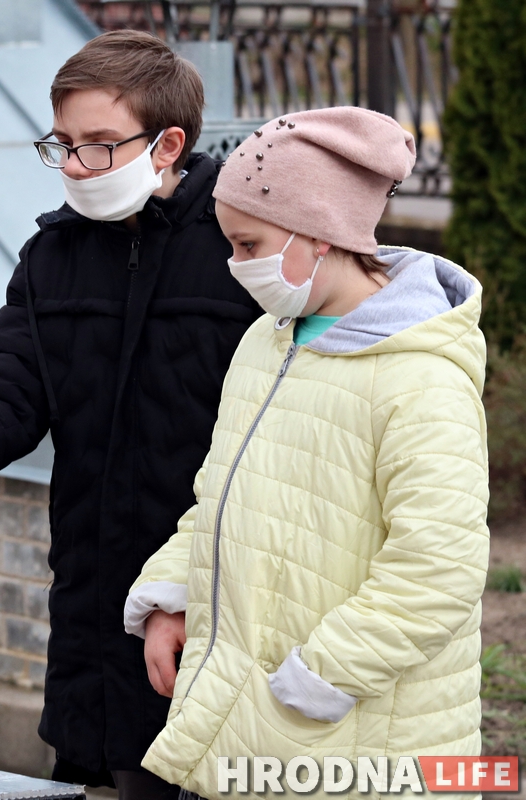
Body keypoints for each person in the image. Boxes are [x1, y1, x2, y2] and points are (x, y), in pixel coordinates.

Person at [0, 31, 261, 800]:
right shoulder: (53, 255)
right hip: (91, 606)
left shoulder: (242, 250)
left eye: (97, 145)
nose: (71, 165)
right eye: (61, 143)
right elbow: (12, 376)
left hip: (213, 604)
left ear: (168, 144)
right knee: (91, 770)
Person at [124, 107, 489, 800]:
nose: (237, 264)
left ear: (320, 234)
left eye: (249, 242)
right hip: (255, 724)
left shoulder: (421, 378)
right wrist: (173, 594)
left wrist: (320, 676)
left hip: (356, 744)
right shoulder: (267, 342)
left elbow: (439, 566)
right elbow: (223, 495)